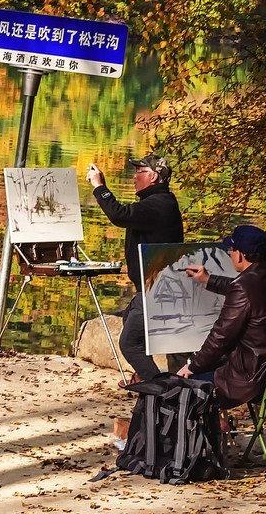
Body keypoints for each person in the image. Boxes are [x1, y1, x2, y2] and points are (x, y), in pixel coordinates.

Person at [176, 224, 266, 460]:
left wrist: (192, 366)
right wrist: (208, 279)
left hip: (257, 377)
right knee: (254, 365)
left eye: (231, 249)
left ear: (241, 254)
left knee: (190, 383)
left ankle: (205, 449)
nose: (229, 253)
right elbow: (245, 287)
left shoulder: (244, 287)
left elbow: (221, 338)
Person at [86, 153, 184, 382]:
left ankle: (161, 389)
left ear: (153, 176)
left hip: (157, 289)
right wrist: (105, 187)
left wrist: (99, 186)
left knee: (129, 343)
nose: (133, 177)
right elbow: (127, 215)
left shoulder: (159, 205)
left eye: (138, 172)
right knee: (130, 317)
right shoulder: (158, 203)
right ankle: (144, 375)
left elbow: (119, 215)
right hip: (154, 286)